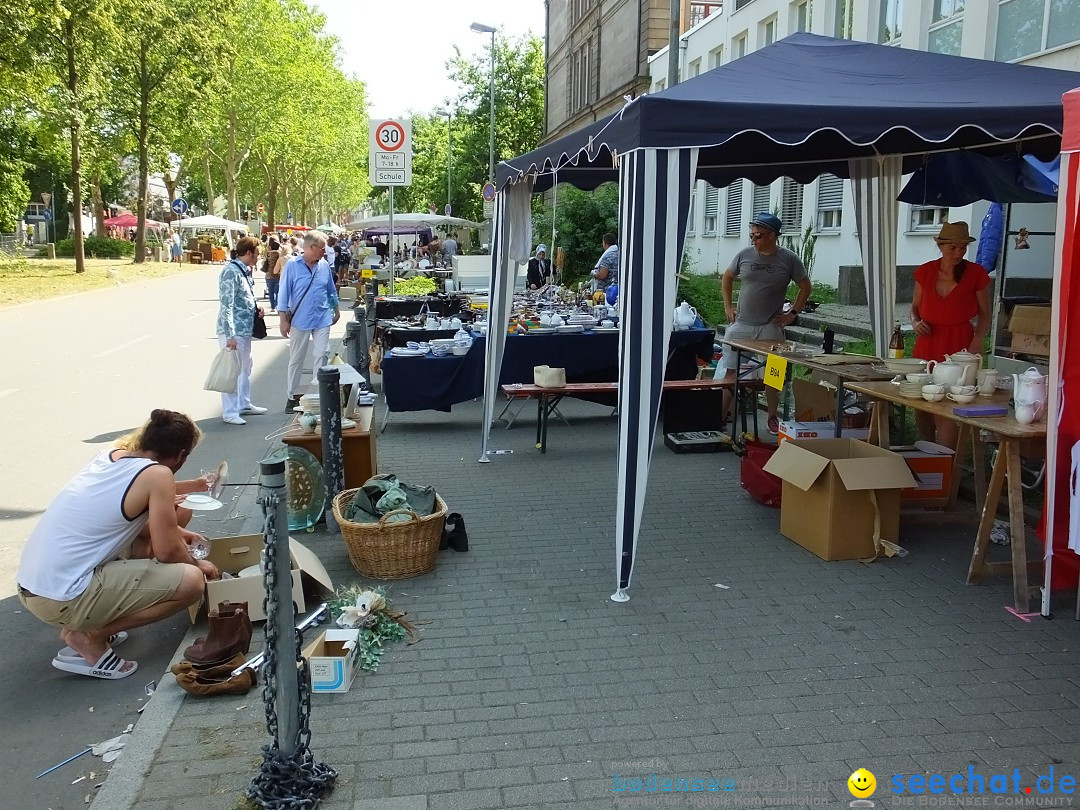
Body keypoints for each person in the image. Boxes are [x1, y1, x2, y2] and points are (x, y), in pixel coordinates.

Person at [16, 410, 220, 680]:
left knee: (166, 526)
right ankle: (89, 635)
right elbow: (168, 551)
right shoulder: (158, 475)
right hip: (61, 598)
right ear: (181, 455)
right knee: (192, 581)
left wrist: (181, 525)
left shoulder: (110, 456)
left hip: (35, 586)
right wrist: (198, 563)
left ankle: (94, 620)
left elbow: (135, 508)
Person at [720, 212, 812, 435]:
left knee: (774, 372)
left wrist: (793, 313)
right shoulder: (744, 254)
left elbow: (806, 286)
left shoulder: (788, 259)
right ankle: (719, 418)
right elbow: (727, 277)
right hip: (742, 324)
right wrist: (728, 306)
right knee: (730, 372)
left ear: (772, 235)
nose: (753, 240)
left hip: (771, 326)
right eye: (751, 235)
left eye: (758, 236)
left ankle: (772, 416)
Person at [911, 220, 992, 448]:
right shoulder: (926, 271)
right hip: (927, 340)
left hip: (960, 343)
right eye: (953, 247)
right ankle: (927, 449)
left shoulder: (976, 273)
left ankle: (947, 463)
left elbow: (985, 314)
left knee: (946, 405)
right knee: (921, 401)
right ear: (940, 245)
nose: (958, 253)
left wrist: (977, 339)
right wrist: (916, 322)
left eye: (963, 247)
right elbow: (914, 308)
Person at [279, 230, 340, 412]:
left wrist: (335, 309)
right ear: (311, 248)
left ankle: (317, 395)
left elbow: (330, 290)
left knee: (321, 354)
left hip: (322, 317)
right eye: (322, 248)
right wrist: (283, 320)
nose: (325, 251)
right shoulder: (292, 266)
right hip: (300, 319)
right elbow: (283, 295)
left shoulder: (323, 266)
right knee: (296, 358)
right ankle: (292, 396)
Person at [216, 236, 268, 425]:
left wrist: (255, 307)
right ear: (248, 253)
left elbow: (243, 296)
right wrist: (230, 334)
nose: (258, 257)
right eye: (257, 253)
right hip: (235, 329)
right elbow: (226, 305)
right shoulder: (231, 272)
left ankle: (243, 403)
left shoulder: (244, 271)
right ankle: (229, 411)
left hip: (244, 328)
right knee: (233, 369)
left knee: (245, 367)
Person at [264, 236, 281, 312]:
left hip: (268, 275)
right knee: (277, 291)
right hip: (277, 274)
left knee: (270, 291)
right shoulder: (279, 254)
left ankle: (272, 307)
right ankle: (277, 304)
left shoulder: (267, 254)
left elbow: (263, 262)